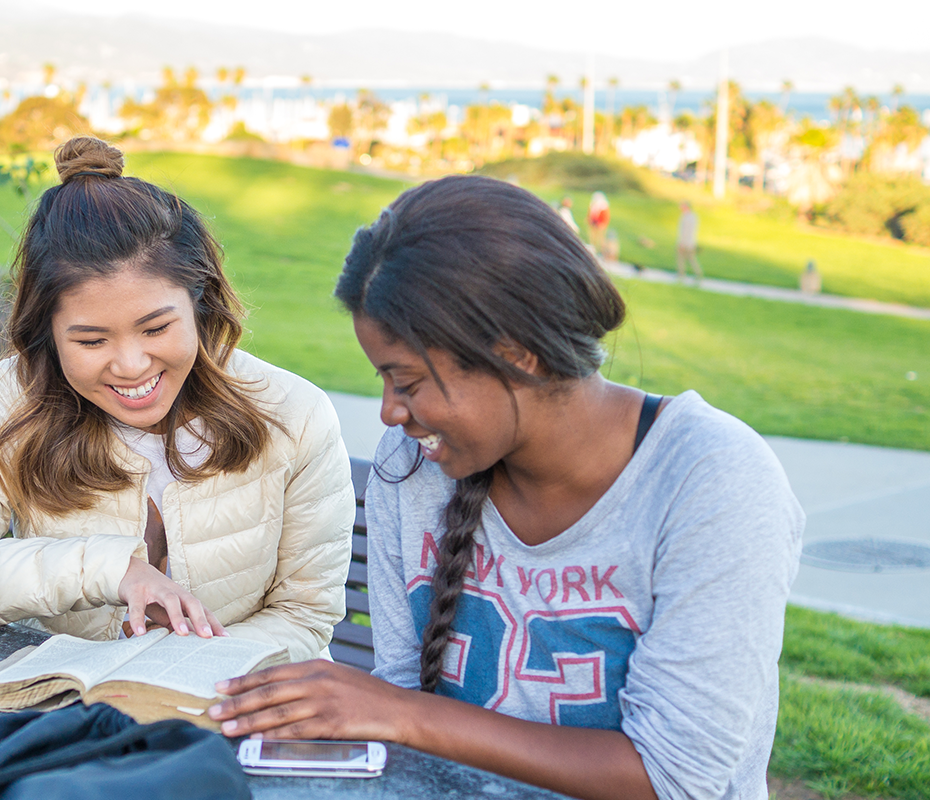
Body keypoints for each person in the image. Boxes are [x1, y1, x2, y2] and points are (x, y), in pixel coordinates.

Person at [208, 175, 804, 800]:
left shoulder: (712, 482)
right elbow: (402, 690)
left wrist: (406, 715)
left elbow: (674, 778)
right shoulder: (412, 467)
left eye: (408, 382)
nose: (389, 411)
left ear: (518, 356)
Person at [0, 137, 355, 662]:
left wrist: (169, 668)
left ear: (200, 303)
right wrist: (110, 571)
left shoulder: (293, 413)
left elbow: (304, 618)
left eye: (156, 328)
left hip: (232, 701)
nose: (131, 366)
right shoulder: (16, 396)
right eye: (91, 341)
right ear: (48, 333)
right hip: (68, 700)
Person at [676, 201, 703, 284]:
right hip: (691, 242)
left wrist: (682, 243)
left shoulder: (686, 217)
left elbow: (685, 231)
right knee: (690, 259)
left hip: (686, 242)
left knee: (682, 259)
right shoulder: (693, 216)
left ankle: (681, 275)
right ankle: (698, 274)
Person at [587, 190, 610, 256]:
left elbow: (605, 216)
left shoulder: (603, 206)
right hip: (594, 223)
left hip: (600, 224)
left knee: (600, 238)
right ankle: (593, 249)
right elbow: (591, 214)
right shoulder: (593, 205)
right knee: (593, 237)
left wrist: (602, 223)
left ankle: (600, 251)